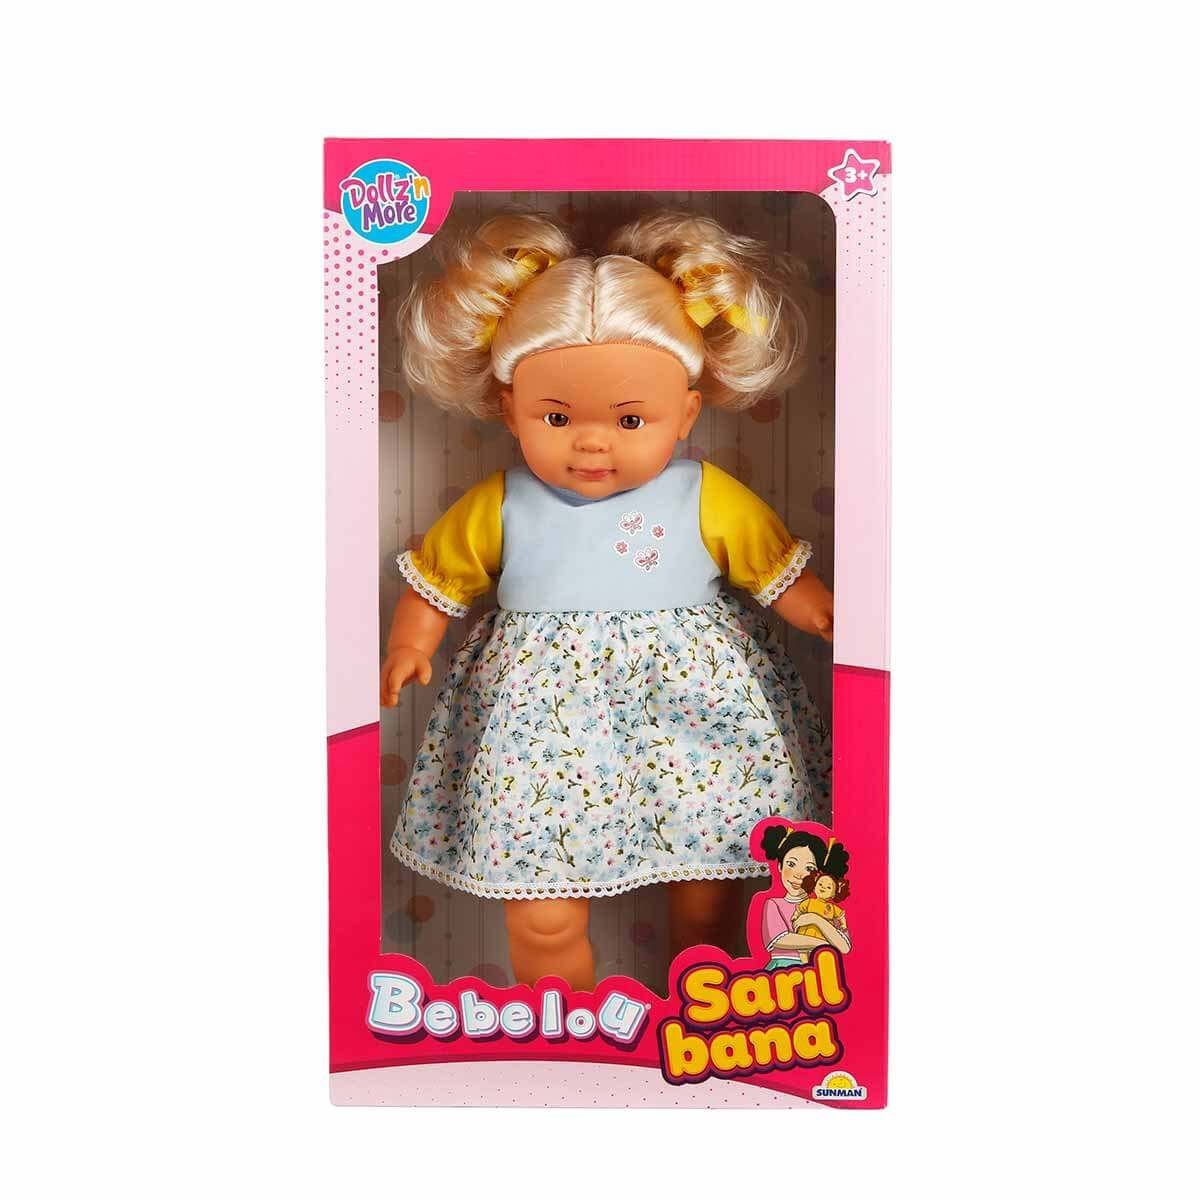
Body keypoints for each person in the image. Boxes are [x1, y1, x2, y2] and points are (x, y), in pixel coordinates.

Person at [381, 212, 833, 988]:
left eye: (630, 419)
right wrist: (408, 644)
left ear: (686, 414)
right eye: (556, 417)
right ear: (509, 407)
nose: (592, 443)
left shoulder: (703, 494)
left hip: (689, 718)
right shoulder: (503, 502)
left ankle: (701, 1007)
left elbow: (775, 570)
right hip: (541, 732)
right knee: (543, 911)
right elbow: (438, 579)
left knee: (709, 890)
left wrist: (827, 615)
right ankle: (565, 1017)